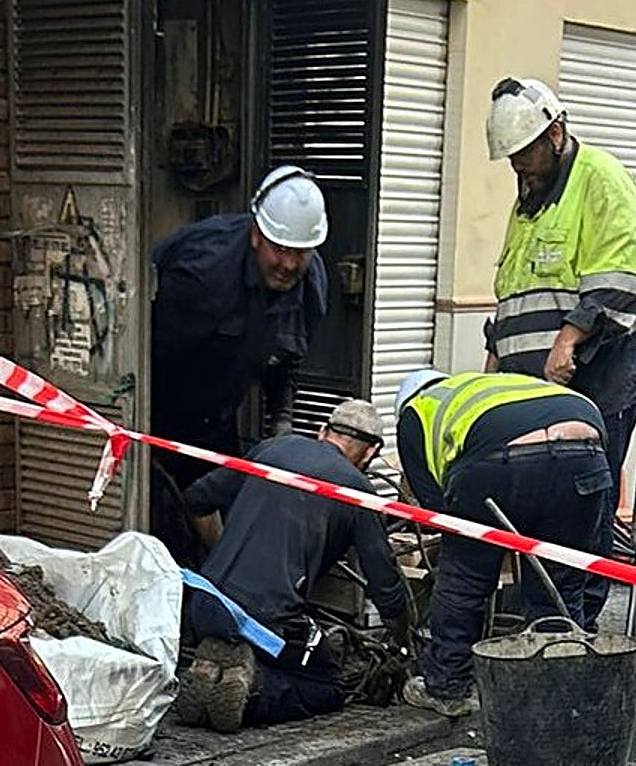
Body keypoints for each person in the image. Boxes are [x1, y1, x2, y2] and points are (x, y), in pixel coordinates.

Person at [482, 77, 636, 627]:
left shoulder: (601, 181)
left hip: (599, 380)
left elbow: (617, 278)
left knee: (585, 498)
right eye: (511, 159)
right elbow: (514, 290)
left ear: (556, 133)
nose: (518, 168)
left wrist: (567, 341)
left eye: (525, 154)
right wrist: (494, 365)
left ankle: (575, 618)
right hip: (541, 390)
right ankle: (546, 609)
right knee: (542, 497)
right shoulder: (530, 200)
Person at [174, 398, 410, 733]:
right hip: (267, 624)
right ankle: (253, 688)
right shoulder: (359, 491)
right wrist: (399, 639)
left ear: (322, 432)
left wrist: (223, 551)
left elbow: (197, 499)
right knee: (327, 684)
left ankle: (213, 666)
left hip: (205, 603)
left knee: (275, 637)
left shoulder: (272, 450)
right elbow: (384, 583)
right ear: (370, 453)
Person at [394, 369, 611, 717]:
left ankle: (448, 688)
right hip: (585, 443)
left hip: (498, 465)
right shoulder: (491, 386)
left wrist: (487, 543)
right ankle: (557, 690)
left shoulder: (416, 411)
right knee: (558, 578)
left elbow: (436, 509)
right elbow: (599, 535)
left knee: (464, 579)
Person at [149, 165, 329, 566]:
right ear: (255, 235)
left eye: (299, 253)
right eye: (278, 249)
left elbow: (287, 361)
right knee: (164, 529)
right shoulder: (202, 270)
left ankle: (221, 596)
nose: (287, 263)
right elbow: (148, 350)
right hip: (161, 412)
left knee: (225, 520)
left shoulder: (311, 287)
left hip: (218, 413)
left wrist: (281, 425)